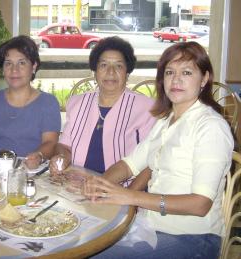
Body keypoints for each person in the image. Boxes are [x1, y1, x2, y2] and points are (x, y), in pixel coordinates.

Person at [84, 41, 234, 259]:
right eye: (170, 72)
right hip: (151, 225)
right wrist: (100, 184)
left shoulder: (211, 126)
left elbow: (200, 204)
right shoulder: (166, 121)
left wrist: (130, 196)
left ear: (204, 79)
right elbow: (129, 164)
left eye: (187, 72)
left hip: (193, 239)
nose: (176, 79)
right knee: (85, 241)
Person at [49, 36, 156, 183]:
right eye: (104, 65)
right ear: (95, 71)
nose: (110, 72)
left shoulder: (146, 108)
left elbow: (150, 162)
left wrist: (131, 198)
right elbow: (64, 145)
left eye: (118, 66)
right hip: (77, 185)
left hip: (121, 189)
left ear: (127, 72)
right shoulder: (77, 103)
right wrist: (61, 158)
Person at [0, 35, 61, 169]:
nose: (14, 70)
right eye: (8, 63)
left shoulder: (48, 102)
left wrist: (39, 155)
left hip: (31, 173)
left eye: (22, 63)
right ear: (3, 69)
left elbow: (50, 143)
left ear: (33, 67)